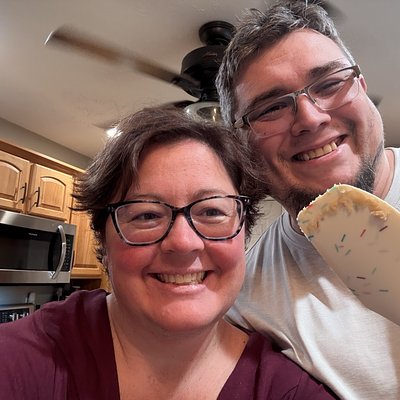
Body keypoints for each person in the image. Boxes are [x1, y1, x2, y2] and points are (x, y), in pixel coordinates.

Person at [0, 106, 338, 399]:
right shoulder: (24, 358)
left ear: (243, 232)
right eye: (146, 215)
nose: (183, 243)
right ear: (103, 241)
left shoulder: (284, 389)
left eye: (212, 212)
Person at [216, 1, 400, 399]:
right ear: (241, 143)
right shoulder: (247, 300)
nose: (311, 118)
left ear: (362, 86)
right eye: (271, 108)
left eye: (330, 84)